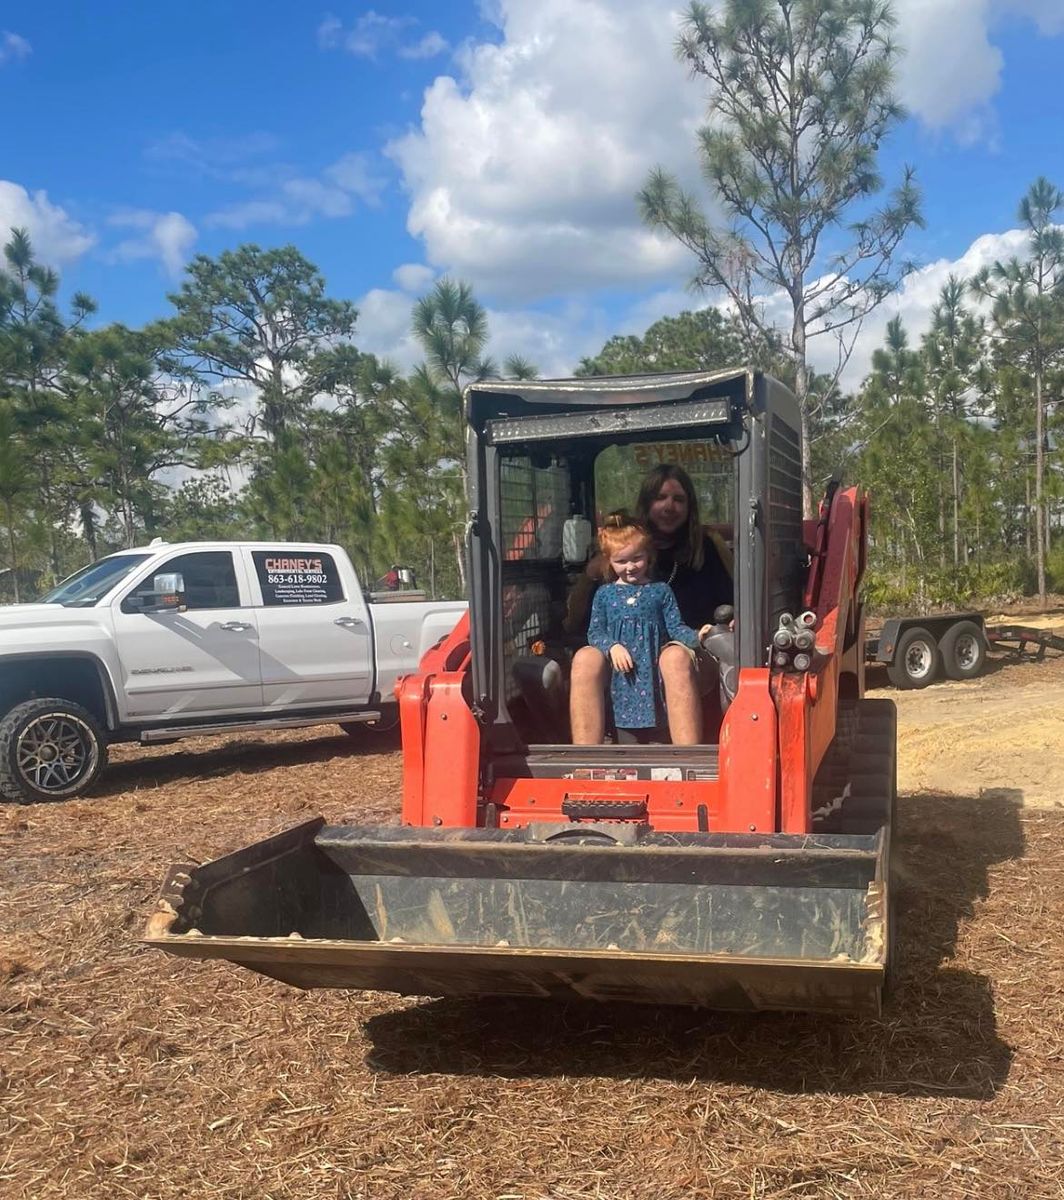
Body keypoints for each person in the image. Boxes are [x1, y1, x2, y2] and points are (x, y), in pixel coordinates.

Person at [569, 462, 734, 745]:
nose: (669, 505)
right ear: (647, 503)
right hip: (623, 654)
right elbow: (583, 622)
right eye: (661, 497)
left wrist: (721, 625)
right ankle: (587, 762)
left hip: (690, 652)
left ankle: (687, 761)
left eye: (678, 498)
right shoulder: (619, 554)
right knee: (585, 659)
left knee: (673, 658)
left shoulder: (707, 547)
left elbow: (732, 601)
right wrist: (588, 576)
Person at [587, 515, 710, 742]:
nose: (631, 567)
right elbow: (595, 632)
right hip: (621, 681)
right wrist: (612, 646)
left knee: (658, 736)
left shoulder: (660, 591)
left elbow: (675, 627)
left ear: (649, 556)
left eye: (637, 558)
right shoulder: (604, 594)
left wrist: (698, 637)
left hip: (652, 677)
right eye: (621, 561)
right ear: (609, 561)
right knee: (624, 742)